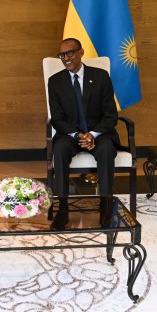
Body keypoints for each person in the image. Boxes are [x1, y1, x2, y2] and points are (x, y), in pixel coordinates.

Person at [47, 38, 120, 214]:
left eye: (70, 53)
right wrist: (77, 135)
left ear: (81, 52)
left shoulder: (101, 77)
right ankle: (62, 204)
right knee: (60, 148)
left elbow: (110, 114)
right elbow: (57, 118)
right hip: (70, 134)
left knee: (106, 149)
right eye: (62, 55)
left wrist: (92, 135)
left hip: (99, 134)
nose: (65, 58)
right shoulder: (55, 82)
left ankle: (105, 201)